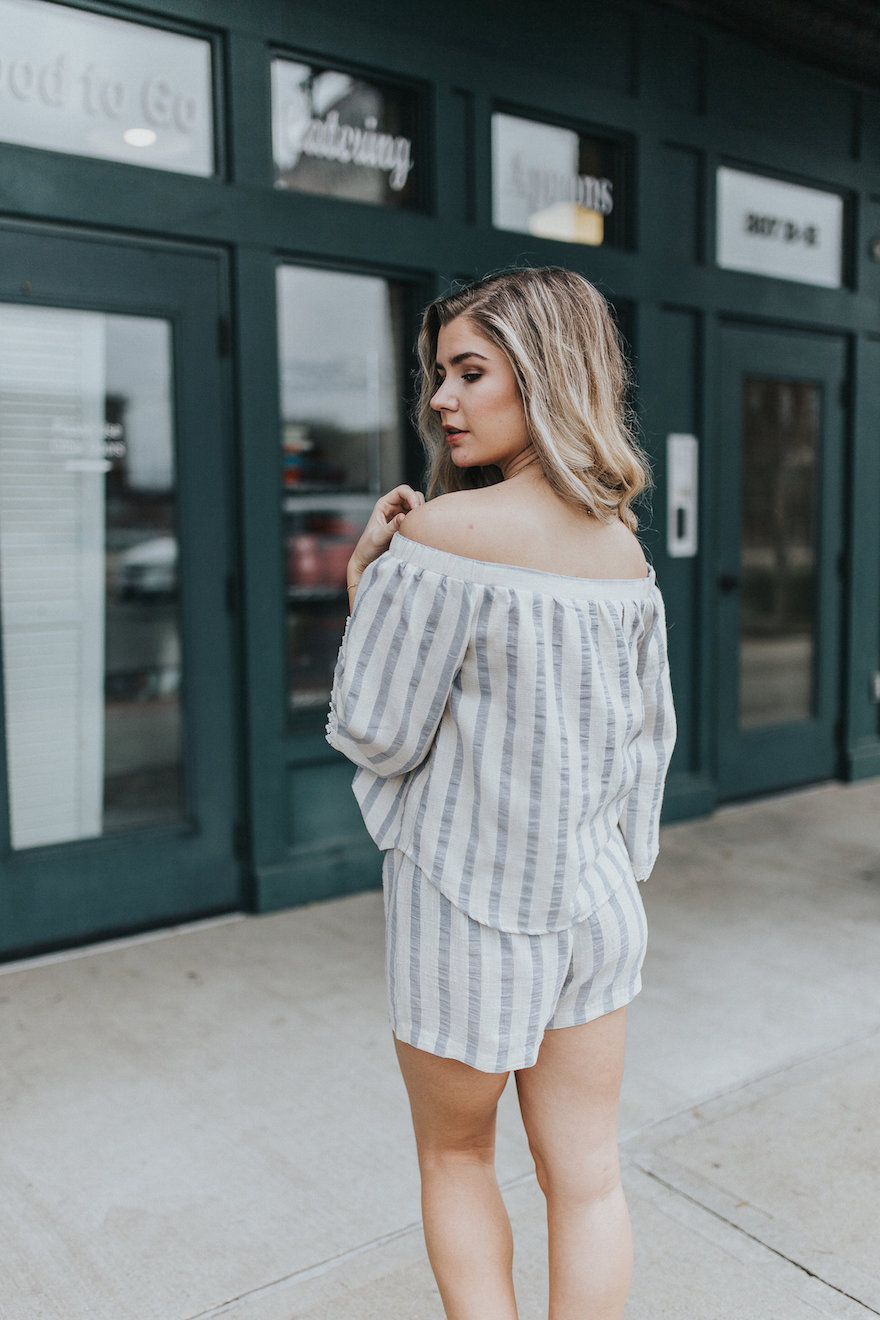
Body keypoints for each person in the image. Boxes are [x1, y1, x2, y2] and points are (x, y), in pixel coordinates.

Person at [326, 266, 676, 1320]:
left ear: (544, 372)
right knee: (590, 1177)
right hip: (595, 907)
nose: (441, 397)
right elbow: (645, 748)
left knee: (456, 1156)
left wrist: (363, 586)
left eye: (469, 371)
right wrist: (615, 864)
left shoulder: (438, 539)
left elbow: (376, 732)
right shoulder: (621, 553)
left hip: (467, 906)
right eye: (439, 374)